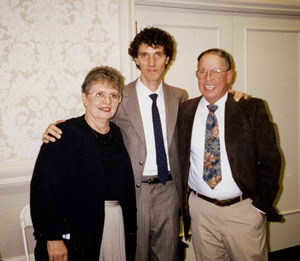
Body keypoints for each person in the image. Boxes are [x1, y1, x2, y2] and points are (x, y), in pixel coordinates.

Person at [41, 28, 245, 260]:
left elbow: (208, 109)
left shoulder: (179, 96)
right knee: (134, 254)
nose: (151, 61)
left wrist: (234, 97)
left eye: (158, 54)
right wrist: (59, 127)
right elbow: (95, 120)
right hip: (133, 191)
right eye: (144, 54)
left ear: (167, 59)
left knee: (167, 255)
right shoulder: (120, 96)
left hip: (169, 190)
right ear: (135, 58)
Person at [178, 48, 282, 261]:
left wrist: (260, 207)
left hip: (242, 211)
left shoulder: (250, 108)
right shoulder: (185, 110)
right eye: (202, 71)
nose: (208, 78)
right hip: (201, 211)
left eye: (216, 71)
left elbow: (271, 161)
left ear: (229, 75)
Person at [30, 66, 137, 261]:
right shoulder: (63, 134)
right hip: (76, 231)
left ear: (119, 100)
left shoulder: (117, 134)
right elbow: (42, 190)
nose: (107, 101)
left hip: (113, 226)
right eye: (99, 94)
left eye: (113, 95)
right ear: (84, 98)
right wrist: (53, 237)